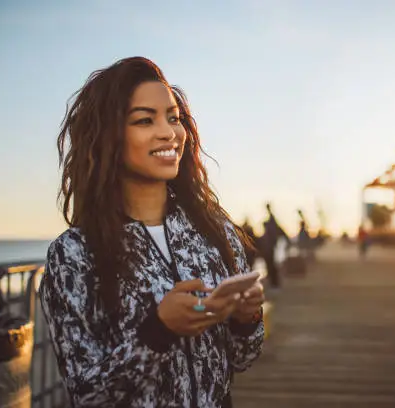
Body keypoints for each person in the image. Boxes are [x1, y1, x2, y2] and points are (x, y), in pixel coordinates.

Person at [39, 57, 264, 408]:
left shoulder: (213, 231)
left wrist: (246, 319)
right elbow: (87, 395)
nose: (168, 132)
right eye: (145, 120)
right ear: (108, 136)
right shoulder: (73, 255)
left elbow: (243, 359)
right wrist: (159, 331)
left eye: (173, 118)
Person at [260, 203, 289, 289]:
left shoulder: (272, 222)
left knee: (272, 266)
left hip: (270, 248)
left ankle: (275, 284)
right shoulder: (270, 225)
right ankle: (273, 283)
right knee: (270, 265)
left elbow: (275, 231)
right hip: (268, 248)